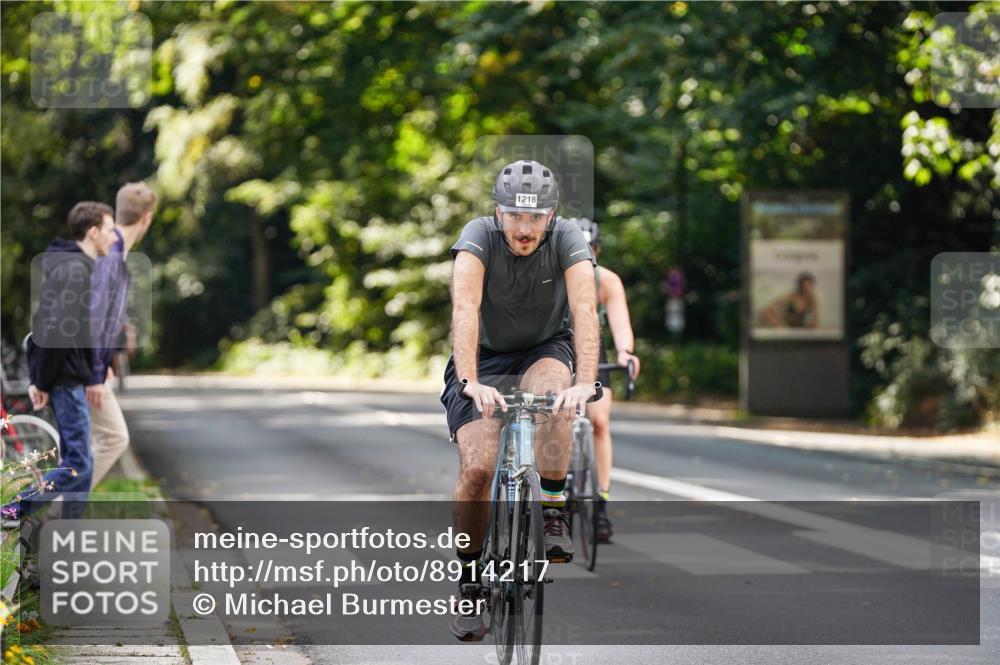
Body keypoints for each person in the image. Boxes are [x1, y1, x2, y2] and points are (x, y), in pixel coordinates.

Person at [441, 159, 600, 641]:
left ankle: (552, 505)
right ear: (498, 212)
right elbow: (465, 309)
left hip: (543, 348)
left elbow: (585, 309)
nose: (526, 228)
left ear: (551, 216)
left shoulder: (567, 237)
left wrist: (585, 383)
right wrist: (470, 380)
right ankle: (470, 581)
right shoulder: (478, 236)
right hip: (482, 360)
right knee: (477, 470)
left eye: (536, 218)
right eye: (515, 216)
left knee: (554, 395)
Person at [1, 202, 117, 526]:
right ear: (93, 232)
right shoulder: (74, 271)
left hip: (71, 377)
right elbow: (53, 333)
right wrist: (42, 381)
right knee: (78, 463)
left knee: (80, 463)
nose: (113, 237)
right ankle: (11, 511)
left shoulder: (80, 269)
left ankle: (69, 536)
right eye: (109, 230)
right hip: (66, 380)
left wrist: (98, 364)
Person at [569, 218, 641, 543]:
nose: (586, 257)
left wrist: (625, 353)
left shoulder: (607, 281)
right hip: (554, 346)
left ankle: (600, 503)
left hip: (592, 348)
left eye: (591, 251)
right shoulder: (552, 275)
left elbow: (620, 323)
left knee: (599, 422)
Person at [87, 181, 157, 489]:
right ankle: (48, 514)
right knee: (114, 438)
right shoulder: (113, 253)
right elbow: (93, 315)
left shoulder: (114, 248)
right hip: (79, 362)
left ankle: (42, 519)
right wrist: (94, 373)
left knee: (84, 446)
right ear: (147, 218)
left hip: (74, 358)